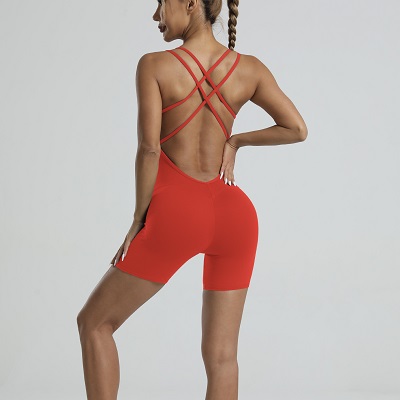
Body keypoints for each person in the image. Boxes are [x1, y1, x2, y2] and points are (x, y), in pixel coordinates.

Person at [77, 0, 308, 398]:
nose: (155, 16)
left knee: (94, 324)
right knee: (223, 358)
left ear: (189, 3)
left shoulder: (154, 65)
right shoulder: (250, 69)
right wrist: (236, 140)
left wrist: (139, 219)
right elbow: (297, 129)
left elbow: (150, 149)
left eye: (160, 4)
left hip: (178, 213)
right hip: (235, 215)